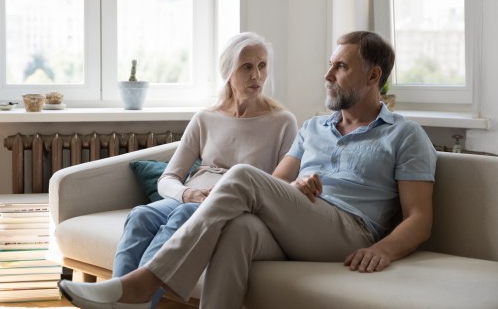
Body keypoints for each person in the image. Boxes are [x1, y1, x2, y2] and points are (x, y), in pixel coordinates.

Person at [58, 31, 437, 309]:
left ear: (373, 77)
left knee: (240, 174)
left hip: (351, 231)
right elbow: (272, 186)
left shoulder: (404, 134)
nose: (327, 75)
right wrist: (294, 191)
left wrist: (384, 250)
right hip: (305, 224)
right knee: (238, 229)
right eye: (330, 65)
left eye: (340, 67)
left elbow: (419, 218)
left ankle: (142, 285)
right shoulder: (313, 127)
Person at [111, 32, 298, 308]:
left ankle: (136, 299)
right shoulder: (205, 118)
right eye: (247, 67)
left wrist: (203, 201)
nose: (256, 75)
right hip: (193, 199)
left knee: (185, 215)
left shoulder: (283, 122)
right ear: (228, 72)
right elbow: (168, 179)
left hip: (233, 207)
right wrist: (188, 194)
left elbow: (281, 189)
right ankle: (116, 297)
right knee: (140, 215)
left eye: (262, 66)